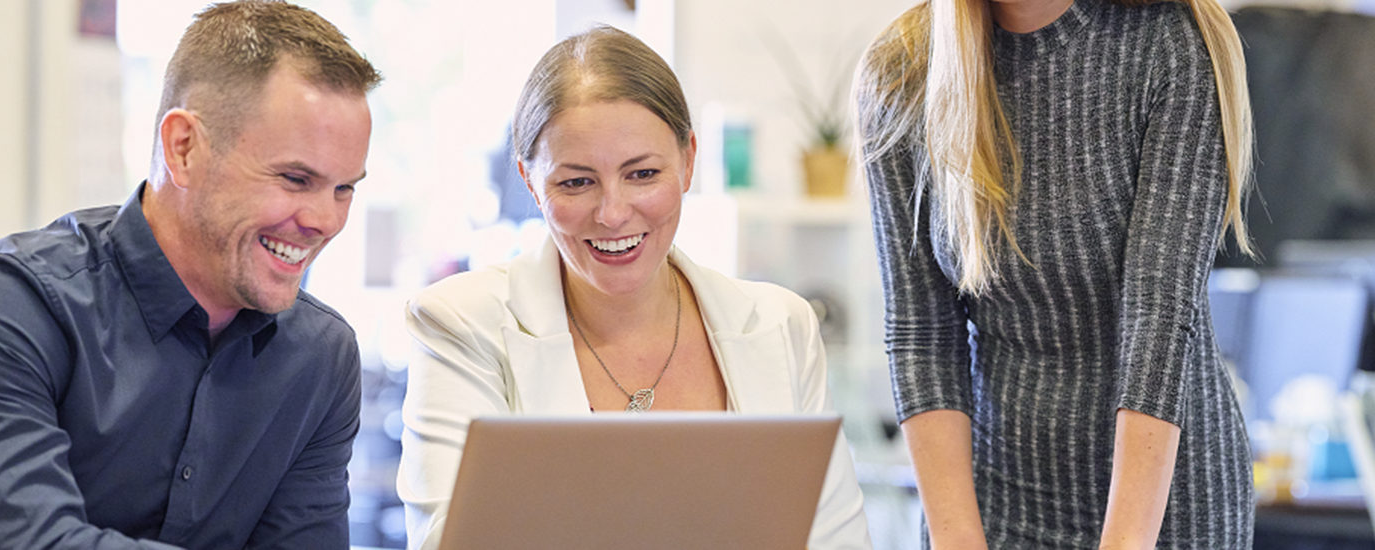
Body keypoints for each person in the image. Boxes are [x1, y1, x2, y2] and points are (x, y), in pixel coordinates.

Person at [0, 2, 380, 548]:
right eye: (295, 178)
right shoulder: (6, 308)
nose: (325, 221)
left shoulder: (320, 356)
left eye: (344, 188)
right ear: (183, 148)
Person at [396, 26, 872, 550]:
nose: (614, 212)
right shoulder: (460, 324)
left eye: (642, 173)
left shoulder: (783, 325)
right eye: (576, 181)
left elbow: (835, 541)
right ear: (530, 182)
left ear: (689, 160)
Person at [856, 0, 1256, 548]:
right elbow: (923, 335)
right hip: (994, 499)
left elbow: (1158, 320)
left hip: (1164, 507)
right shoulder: (900, 71)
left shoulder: (1168, 43)